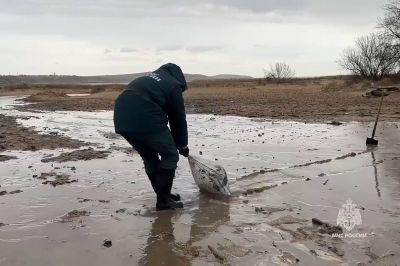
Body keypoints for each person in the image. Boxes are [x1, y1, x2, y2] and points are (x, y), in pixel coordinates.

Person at [114, 63, 189, 211]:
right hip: (145, 116)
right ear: (179, 76)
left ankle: (163, 196)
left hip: (121, 119)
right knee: (170, 155)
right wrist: (182, 145)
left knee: (149, 157)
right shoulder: (173, 85)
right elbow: (178, 118)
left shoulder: (147, 79)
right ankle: (163, 201)